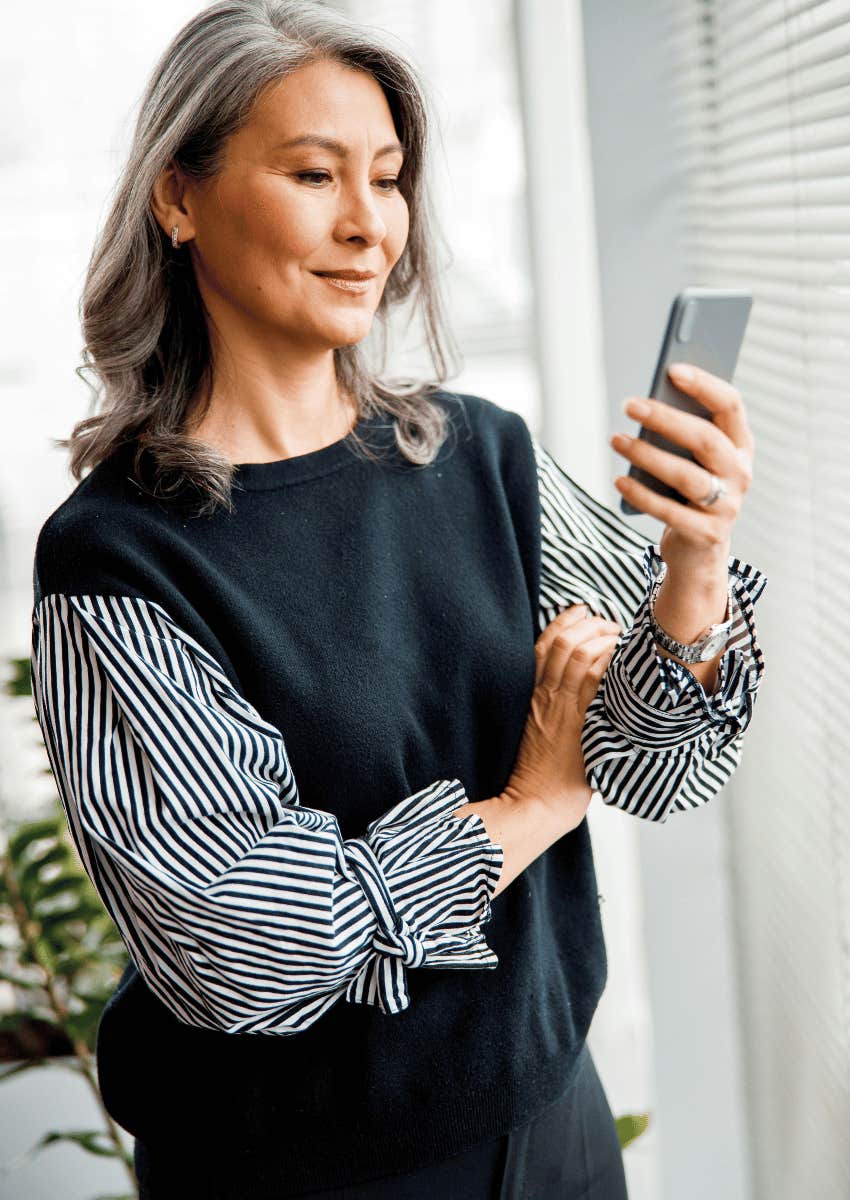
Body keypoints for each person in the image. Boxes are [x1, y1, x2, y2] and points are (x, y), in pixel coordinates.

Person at [29, 2, 767, 1196]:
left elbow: (653, 769)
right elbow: (245, 946)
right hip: (298, 1170)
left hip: (554, 1131)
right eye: (314, 174)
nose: (368, 224)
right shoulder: (119, 557)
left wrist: (691, 563)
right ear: (179, 198)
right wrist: (528, 806)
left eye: (387, 177)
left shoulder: (476, 455)